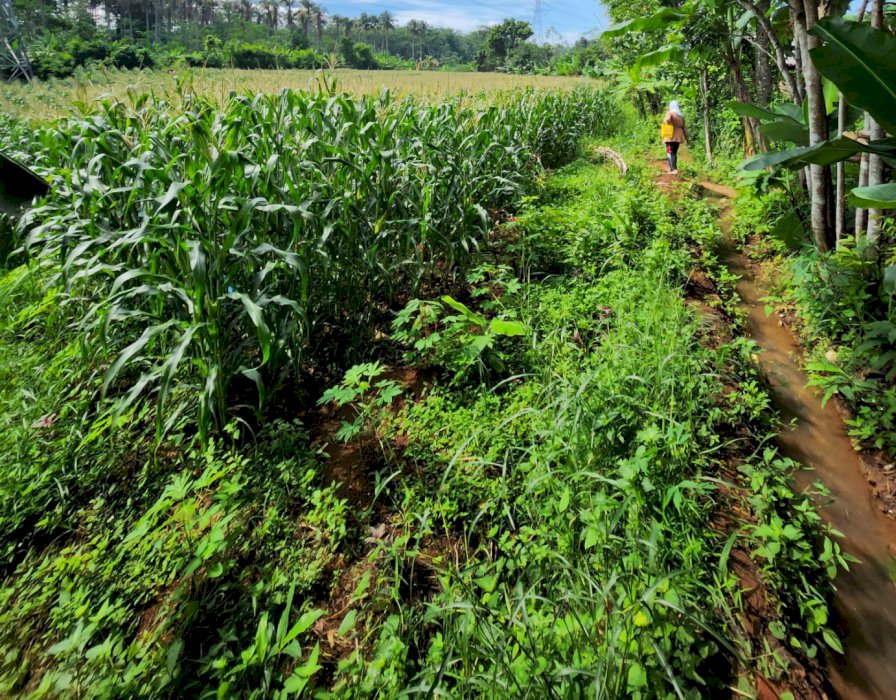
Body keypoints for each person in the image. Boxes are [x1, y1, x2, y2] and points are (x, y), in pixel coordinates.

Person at [662, 100, 690, 174]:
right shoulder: (681, 116)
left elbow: (667, 120)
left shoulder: (670, 113)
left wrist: (665, 121)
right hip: (678, 137)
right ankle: (671, 168)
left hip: (670, 137)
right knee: (673, 152)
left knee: (669, 152)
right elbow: (685, 129)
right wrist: (687, 139)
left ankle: (674, 169)